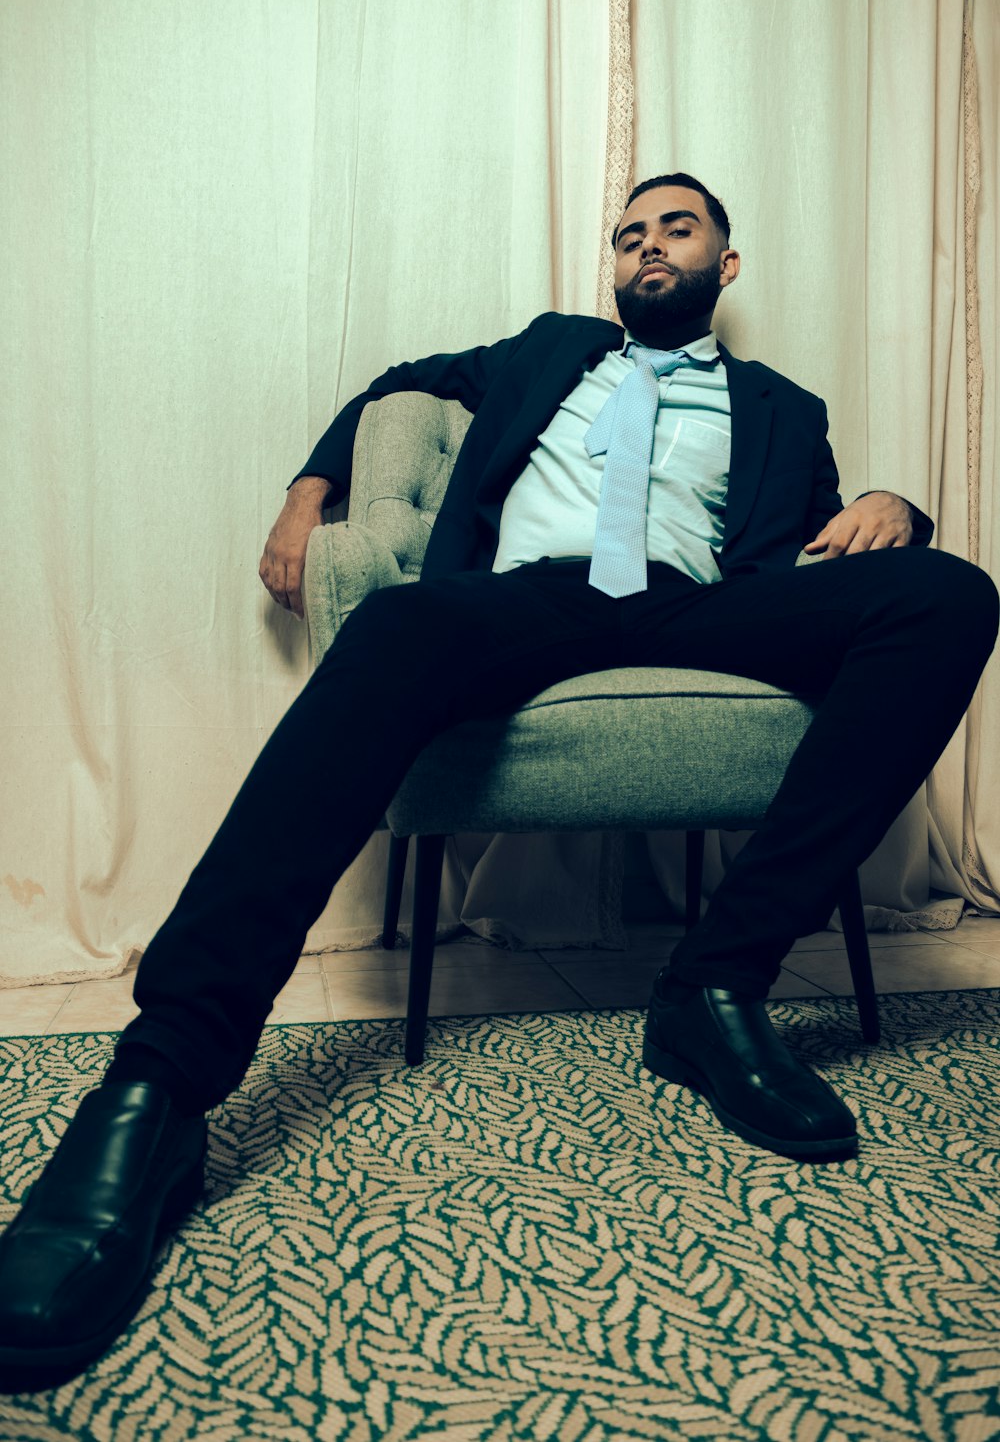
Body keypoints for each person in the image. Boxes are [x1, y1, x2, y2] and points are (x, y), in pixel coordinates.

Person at [1, 173, 997, 1379]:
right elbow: (389, 387)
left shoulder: (782, 404)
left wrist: (902, 506)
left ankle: (716, 986)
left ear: (723, 267)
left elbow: (823, 539)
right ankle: (158, 1089)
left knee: (949, 596)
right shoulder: (549, 352)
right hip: (540, 598)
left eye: (675, 229)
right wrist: (304, 496)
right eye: (628, 236)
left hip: (707, 604)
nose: (647, 248)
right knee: (395, 629)